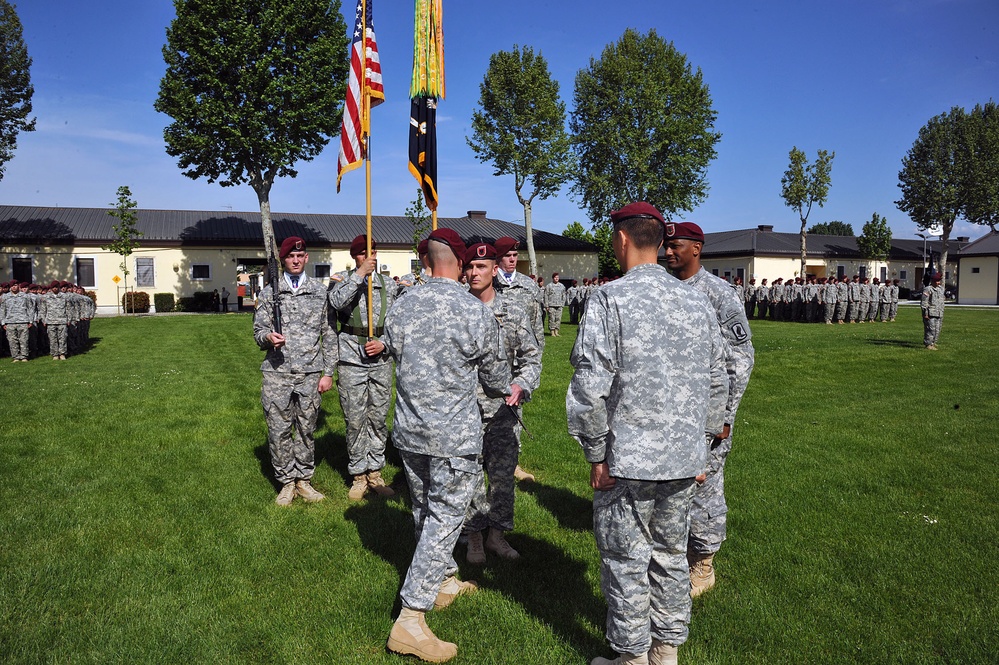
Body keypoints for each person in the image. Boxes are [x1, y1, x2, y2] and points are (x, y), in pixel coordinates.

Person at [567, 203, 726, 665]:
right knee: (671, 556)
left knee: (625, 561)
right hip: (682, 459)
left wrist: (596, 454)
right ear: (659, 242)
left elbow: (588, 389)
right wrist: (703, 446)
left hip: (627, 462)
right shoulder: (697, 299)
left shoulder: (609, 299)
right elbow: (719, 379)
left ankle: (632, 657)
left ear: (621, 240)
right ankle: (665, 651)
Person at [383, 228, 515, 663]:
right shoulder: (474, 311)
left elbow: (393, 353)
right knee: (444, 519)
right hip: (452, 435)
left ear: (426, 262)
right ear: (459, 263)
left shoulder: (401, 307)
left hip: (408, 431)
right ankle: (411, 618)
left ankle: (442, 581)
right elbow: (496, 381)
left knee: (424, 510)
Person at [663, 222, 755, 598]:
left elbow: (740, 358)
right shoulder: (663, 291)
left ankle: (703, 561)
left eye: (676, 246)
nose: (668, 252)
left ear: (697, 248)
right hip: (667, 412)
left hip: (706, 413)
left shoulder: (719, 294)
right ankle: (673, 552)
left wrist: (725, 416)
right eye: (665, 246)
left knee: (705, 488)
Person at [461, 242, 542, 564]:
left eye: (481, 267)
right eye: (469, 266)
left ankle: (497, 535)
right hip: (463, 410)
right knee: (468, 477)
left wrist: (522, 384)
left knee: (502, 478)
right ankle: (475, 537)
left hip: (503, 410)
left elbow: (532, 357)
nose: (474, 272)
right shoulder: (457, 309)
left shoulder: (513, 311)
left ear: (495, 270)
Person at [252, 236, 337, 506]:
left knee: (306, 429)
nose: (296, 260)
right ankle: (286, 482)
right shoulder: (270, 293)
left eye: (300, 256)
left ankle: (304, 480)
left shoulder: (319, 291)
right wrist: (268, 338)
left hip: (310, 373)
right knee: (278, 429)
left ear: (307, 258)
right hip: (277, 372)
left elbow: (329, 333)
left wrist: (328, 372)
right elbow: (257, 332)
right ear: (283, 260)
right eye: (291, 257)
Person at [329, 235, 397, 500]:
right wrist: (358, 275)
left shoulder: (389, 285)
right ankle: (358, 474)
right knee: (355, 418)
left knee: (378, 418)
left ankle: (375, 472)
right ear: (354, 257)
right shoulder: (341, 281)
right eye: (362, 254)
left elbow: (398, 324)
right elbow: (335, 304)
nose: (368, 257)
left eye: (372, 252)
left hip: (380, 358)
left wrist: (384, 344)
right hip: (351, 358)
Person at [493, 236, 544, 482]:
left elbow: (536, 326)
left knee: (514, 410)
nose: (512, 260)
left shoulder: (528, 286)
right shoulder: (489, 282)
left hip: (517, 358)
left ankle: (512, 460)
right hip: (493, 358)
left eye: (515, 256)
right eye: (507, 256)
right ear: (498, 259)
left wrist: (536, 359)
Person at [1, 281, 36, 362]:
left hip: (23, 321)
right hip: (10, 322)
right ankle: (15, 357)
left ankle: (24, 356)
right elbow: (2, 310)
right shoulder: (6, 297)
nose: (13, 287)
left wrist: (30, 321)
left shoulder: (25, 296)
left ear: (18, 286)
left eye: (15, 285)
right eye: (12, 285)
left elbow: (30, 308)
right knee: (12, 340)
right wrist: (3, 322)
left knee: (24, 340)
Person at [41, 282, 69, 360]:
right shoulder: (46, 297)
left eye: (56, 287)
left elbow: (68, 309)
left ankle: (62, 353)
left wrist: (68, 319)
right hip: (50, 321)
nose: (55, 288)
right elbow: (43, 310)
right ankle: (55, 354)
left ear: (58, 287)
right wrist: (44, 320)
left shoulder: (64, 296)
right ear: (51, 288)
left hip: (62, 320)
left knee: (62, 338)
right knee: (52, 339)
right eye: (53, 287)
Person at [921, 273, 944, 350]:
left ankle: (933, 343)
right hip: (930, 313)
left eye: (939, 281)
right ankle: (928, 344)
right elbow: (924, 302)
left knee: (937, 329)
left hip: (939, 312)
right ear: (933, 281)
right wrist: (925, 313)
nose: (938, 283)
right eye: (937, 281)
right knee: (930, 329)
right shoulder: (928, 289)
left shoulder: (940, 289)